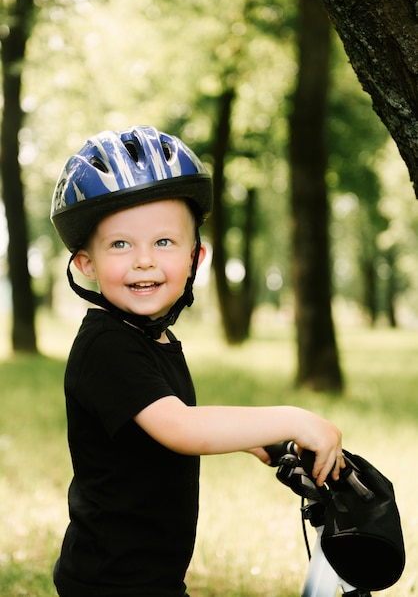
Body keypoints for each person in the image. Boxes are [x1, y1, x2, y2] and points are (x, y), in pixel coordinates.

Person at [50, 125, 344, 597]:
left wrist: (259, 442)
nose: (144, 261)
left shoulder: (155, 339)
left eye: (163, 243)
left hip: (153, 578)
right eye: (120, 245)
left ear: (195, 256)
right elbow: (181, 428)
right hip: (110, 583)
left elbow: (157, 420)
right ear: (86, 263)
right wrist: (293, 417)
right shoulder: (105, 346)